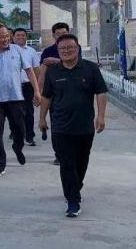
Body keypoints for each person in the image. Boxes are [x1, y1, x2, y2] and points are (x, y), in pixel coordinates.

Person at [39, 34, 107, 218]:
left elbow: (101, 92)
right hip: (60, 126)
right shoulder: (53, 71)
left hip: (84, 125)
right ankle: (73, 200)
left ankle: (75, 187)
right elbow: (46, 97)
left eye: (70, 47)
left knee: (81, 162)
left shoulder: (90, 69)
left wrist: (101, 117)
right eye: (62, 48)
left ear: (77, 49)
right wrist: (42, 118)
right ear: (58, 51)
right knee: (67, 164)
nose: (66, 51)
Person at [0, 24, 41, 178]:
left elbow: (29, 71)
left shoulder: (17, 50)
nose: (5, 39)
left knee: (20, 130)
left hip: (16, 98)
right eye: (2, 37)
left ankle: (17, 148)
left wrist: (36, 91)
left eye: (7, 36)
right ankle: (0, 165)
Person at [39, 22, 81, 165]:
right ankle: (59, 154)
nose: (61, 36)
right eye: (58, 34)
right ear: (53, 36)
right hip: (54, 93)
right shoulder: (47, 51)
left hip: (74, 92)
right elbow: (42, 72)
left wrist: (56, 61)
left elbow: (77, 64)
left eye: (64, 33)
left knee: (75, 124)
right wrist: (38, 91)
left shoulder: (75, 48)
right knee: (57, 125)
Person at [12, 28, 41, 146]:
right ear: (13, 37)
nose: (20, 37)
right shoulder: (8, 50)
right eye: (18, 35)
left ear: (26, 37)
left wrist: (36, 88)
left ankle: (29, 136)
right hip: (13, 86)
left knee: (29, 111)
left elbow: (36, 69)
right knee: (15, 112)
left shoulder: (31, 51)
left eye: (23, 35)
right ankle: (17, 133)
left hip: (27, 85)